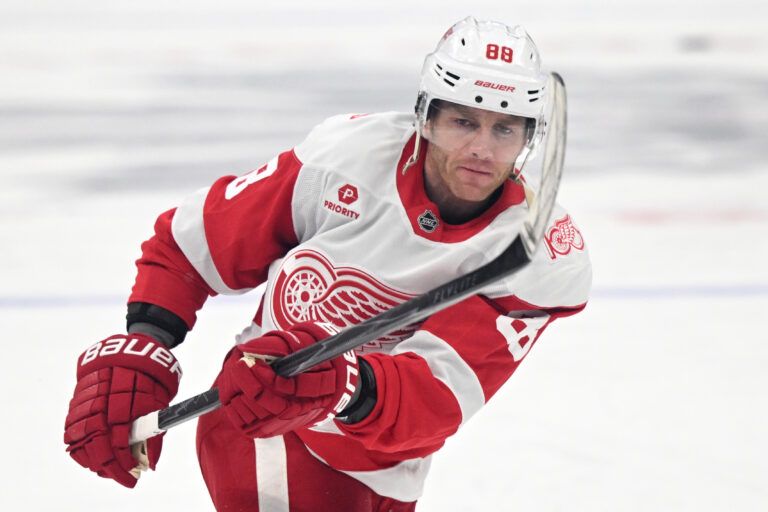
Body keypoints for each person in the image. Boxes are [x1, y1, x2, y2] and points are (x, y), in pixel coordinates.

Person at [64, 16, 591, 512]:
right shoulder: (349, 156)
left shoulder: (540, 256)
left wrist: (344, 387)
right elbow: (194, 245)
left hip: (383, 462)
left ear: (528, 138)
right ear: (425, 118)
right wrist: (149, 339)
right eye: (462, 121)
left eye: (505, 129)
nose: (482, 148)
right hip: (262, 421)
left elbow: (435, 401)